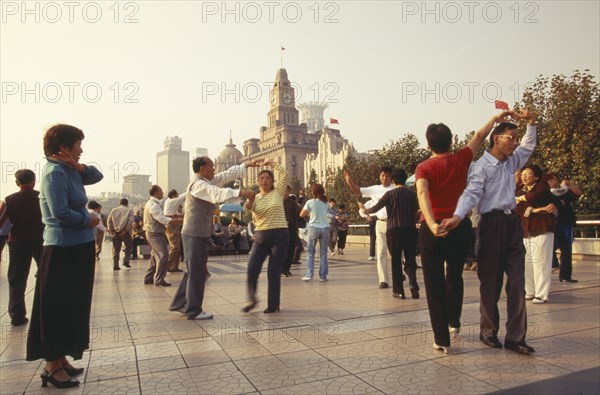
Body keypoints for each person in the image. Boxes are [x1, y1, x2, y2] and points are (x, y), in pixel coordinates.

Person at [416, 111, 513, 354]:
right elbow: (480, 135)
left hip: (433, 229)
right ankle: (454, 322)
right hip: (459, 226)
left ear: (428, 144)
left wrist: (431, 223)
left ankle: (442, 339)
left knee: (434, 283)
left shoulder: (424, 167)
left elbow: (422, 194)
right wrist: (497, 118)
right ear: (451, 141)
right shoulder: (462, 159)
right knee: (454, 275)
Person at [443, 109, 538, 355]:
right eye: (511, 138)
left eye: (517, 138)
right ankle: (489, 331)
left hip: (512, 224)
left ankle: (516, 337)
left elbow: (528, 146)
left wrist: (531, 122)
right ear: (496, 138)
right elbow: (471, 194)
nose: (515, 143)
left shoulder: (512, 161)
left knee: (517, 283)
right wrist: (457, 215)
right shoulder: (480, 167)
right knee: (491, 284)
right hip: (490, 225)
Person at [26, 124, 103, 388]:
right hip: (61, 248)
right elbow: (59, 213)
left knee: (74, 304)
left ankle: (61, 359)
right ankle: (50, 365)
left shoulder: (71, 170)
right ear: (63, 147)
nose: (81, 150)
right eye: (78, 144)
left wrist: (79, 167)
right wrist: (88, 220)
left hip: (79, 246)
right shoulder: (54, 173)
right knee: (57, 306)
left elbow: (97, 175)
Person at [170, 156, 257, 320]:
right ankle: (193, 310)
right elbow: (217, 193)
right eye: (211, 166)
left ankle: (181, 303)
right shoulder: (199, 185)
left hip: (198, 233)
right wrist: (242, 192)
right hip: (193, 234)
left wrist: (246, 165)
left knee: (196, 271)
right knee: (197, 272)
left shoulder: (206, 182)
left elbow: (224, 176)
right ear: (202, 168)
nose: (214, 168)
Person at [360, 168, 419, 300]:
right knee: (410, 259)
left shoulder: (390, 194)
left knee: (396, 260)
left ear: (393, 180)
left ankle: (399, 291)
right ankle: (413, 285)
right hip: (410, 229)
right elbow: (416, 212)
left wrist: (364, 210)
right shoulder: (411, 194)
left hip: (394, 230)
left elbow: (375, 208)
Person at [243, 160, 289, 313]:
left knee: (273, 272)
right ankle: (252, 298)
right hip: (261, 236)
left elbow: (284, 174)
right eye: (262, 178)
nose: (265, 180)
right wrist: (249, 200)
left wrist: (272, 163)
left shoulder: (278, 192)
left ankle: (273, 304)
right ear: (258, 181)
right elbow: (247, 210)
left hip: (280, 235)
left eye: (268, 178)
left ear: (272, 181)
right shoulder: (254, 197)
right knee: (252, 268)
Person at [0, 169, 44, 326]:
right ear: (34, 181)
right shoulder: (42, 197)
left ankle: (17, 316)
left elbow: (1, 221)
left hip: (17, 243)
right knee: (46, 277)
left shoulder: (9, 199)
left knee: (17, 280)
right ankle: (45, 313)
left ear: (17, 183)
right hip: (41, 242)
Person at [344, 166, 394, 288]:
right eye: (382, 175)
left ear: (391, 177)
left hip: (394, 223)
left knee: (396, 252)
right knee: (381, 252)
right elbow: (357, 191)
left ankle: (399, 274)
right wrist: (349, 181)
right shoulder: (374, 189)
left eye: (387, 176)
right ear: (380, 176)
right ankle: (383, 280)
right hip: (380, 223)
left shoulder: (395, 188)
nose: (385, 178)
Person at [516, 164, 557, 304]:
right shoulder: (519, 190)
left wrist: (522, 200)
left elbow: (533, 196)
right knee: (527, 261)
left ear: (537, 176)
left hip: (542, 227)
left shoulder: (542, 186)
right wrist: (535, 209)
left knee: (541, 262)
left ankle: (541, 294)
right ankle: (530, 291)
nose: (524, 176)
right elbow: (517, 208)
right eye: (523, 174)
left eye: (528, 173)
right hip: (526, 229)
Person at [143, 185, 183, 286]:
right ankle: (159, 279)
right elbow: (162, 219)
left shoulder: (152, 203)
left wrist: (171, 216)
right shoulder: (154, 205)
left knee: (154, 255)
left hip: (153, 232)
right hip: (155, 233)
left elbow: (159, 216)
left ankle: (148, 277)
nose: (163, 193)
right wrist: (178, 220)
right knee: (163, 255)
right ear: (156, 192)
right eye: (161, 191)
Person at [547, 174, 581, 283]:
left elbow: (577, 194)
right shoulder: (544, 194)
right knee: (549, 246)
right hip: (552, 224)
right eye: (552, 180)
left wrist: (569, 184)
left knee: (566, 250)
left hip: (565, 223)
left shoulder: (564, 192)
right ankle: (554, 264)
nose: (554, 182)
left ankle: (565, 276)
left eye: (555, 180)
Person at [300, 183, 330, 282]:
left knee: (310, 252)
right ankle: (323, 276)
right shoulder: (326, 203)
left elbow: (301, 214)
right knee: (323, 253)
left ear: (313, 192)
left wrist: (309, 212)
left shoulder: (310, 202)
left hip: (314, 228)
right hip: (325, 228)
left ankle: (309, 275)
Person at [107, 198, 134, 270]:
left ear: (120, 203)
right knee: (129, 246)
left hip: (115, 232)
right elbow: (130, 221)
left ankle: (115, 265)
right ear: (127, 203)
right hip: (125, 233)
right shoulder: (129, 210)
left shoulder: (114, 210)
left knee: (116, 249)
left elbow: (109, 221)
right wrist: (125, 230)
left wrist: (111, 230)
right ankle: (126, 260)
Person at [283, 186, 302, 277]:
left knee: (291, 248)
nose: (285, 193)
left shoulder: (292, 202)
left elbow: (300, 210)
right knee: (282, 249)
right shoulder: (276, 202)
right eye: (284, 191)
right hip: (280, 227)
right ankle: (282, 269)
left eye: (287, 191)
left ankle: (287, 268)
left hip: (291, 226)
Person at [164, 189, 185, 272]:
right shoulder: (172, 201)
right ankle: (168, 265)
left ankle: (174, 266)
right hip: (171, 225)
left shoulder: (169, 202)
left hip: (174, 224)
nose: (178, 197)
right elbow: (184, 196)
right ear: (173, 196)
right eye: (177, 195)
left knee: (177, 247)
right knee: (175, 247)